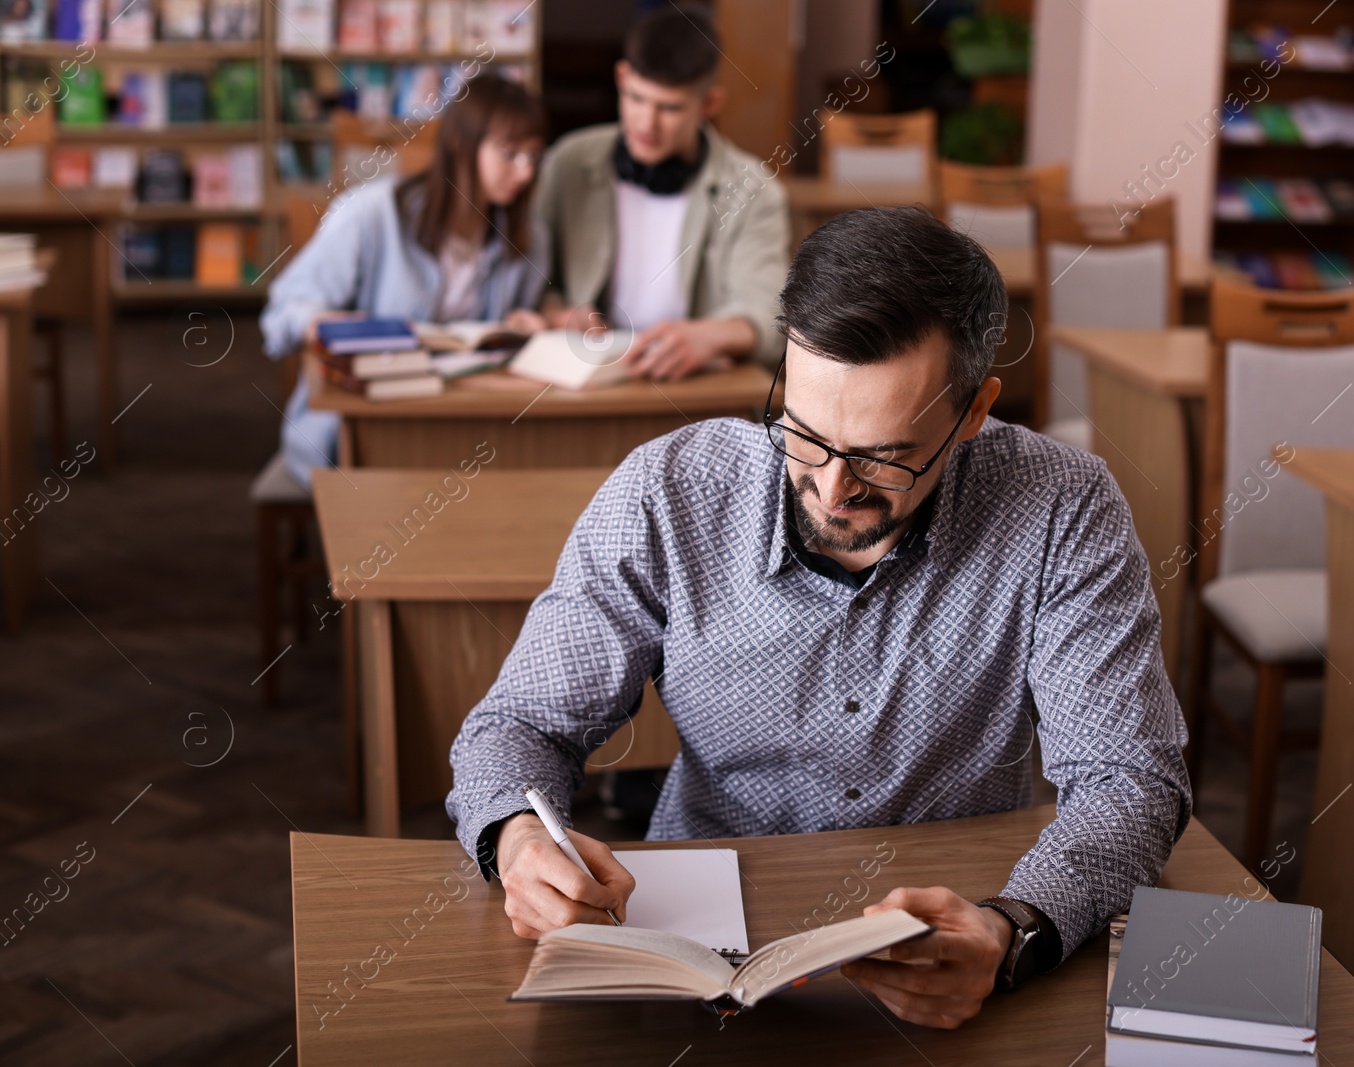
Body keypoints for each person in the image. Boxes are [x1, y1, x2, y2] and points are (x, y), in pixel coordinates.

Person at [447, 206, 1192, 1030]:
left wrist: (1013, 927)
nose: (833, 489)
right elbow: (516, 725)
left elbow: (1130, 778)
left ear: (974, 413)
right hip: (697, 949)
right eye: (803, 432)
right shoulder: (667, 492)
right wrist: (517, 840)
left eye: (885, 454)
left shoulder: (1063, 507)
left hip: (954, 931)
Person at [260, 74, 549, 486]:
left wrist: (529, 321)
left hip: (468, 429)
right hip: (368, 433)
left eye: (535, 157)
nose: (525, 172)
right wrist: (318, 323)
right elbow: (281, 313)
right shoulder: (370, 213)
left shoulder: (531, 237)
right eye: (510, 154)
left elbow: (522, 318)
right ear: (460, 144)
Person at [533, 2, 789, 381]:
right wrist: (559, 313)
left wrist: (711, 337)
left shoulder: (753, 189)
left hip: (694, 388)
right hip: (587, 380)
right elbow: (532, 280)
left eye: (669, 108)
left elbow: (770, 316)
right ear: (621, 77)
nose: (646, 124)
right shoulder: (568, 162)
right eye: (636, 98)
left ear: (710, 104)